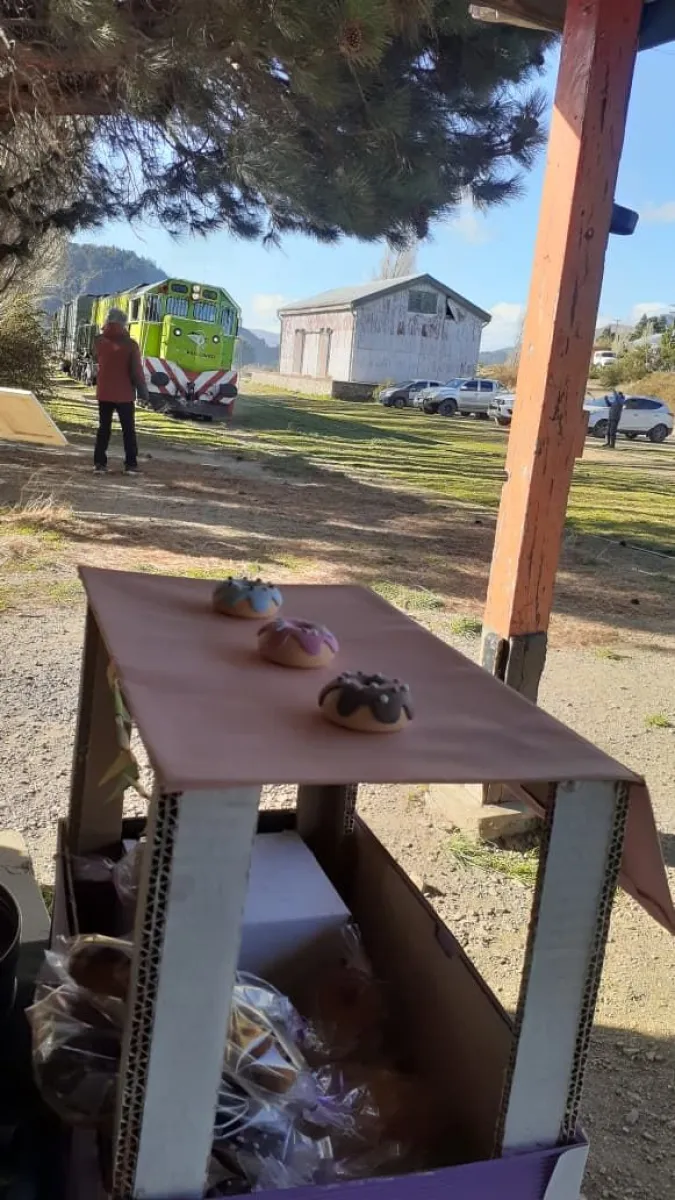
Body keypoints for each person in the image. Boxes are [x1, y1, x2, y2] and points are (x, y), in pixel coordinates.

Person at [93, 307, 149, 474]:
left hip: (104, 392)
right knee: (128, 430)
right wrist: (143, 392)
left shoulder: (98, 341)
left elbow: (96, 359)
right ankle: (130, 464)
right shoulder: (130, 345)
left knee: (103, 428)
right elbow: (136, 371)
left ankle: (99, 464)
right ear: (124, 324)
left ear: (107, 321)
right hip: (124, 394)